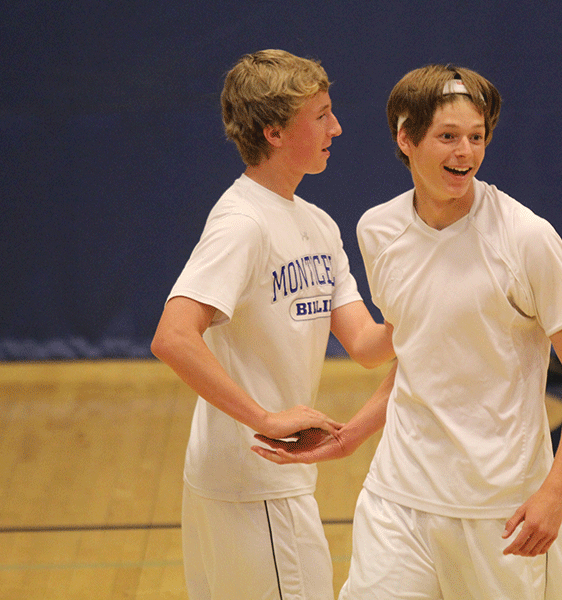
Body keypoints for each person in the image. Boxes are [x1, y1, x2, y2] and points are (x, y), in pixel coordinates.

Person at [253, 64, 562, 600]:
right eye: (447, 137)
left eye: (476, 137)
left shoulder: (527, 239)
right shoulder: (378, 230)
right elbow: (414, 358)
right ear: (405, 137)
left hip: (501, 514)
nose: (464, 153)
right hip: (399, 498)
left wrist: (555, 492)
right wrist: (349, 437)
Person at [151, 49, 394, 600]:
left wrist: (430, 301)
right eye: (321, 115)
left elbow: (366, 345)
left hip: (265, 484)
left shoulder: (317, 224)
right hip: (250, 482)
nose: (336, 126)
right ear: (276, 133)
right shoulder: (242, 223)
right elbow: (173, 336)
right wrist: (264, 416)